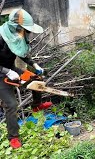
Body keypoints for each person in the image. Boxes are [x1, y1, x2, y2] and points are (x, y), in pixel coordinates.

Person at [0, 9, 52, 149]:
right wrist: (7, 71)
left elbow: (21, 52)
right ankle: (13, 138)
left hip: (10, 69)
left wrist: (34, 65)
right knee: (11, 104)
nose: (26, 32)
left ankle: (36, 105)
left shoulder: (17, 35)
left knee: (35, 79)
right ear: (15, 26)